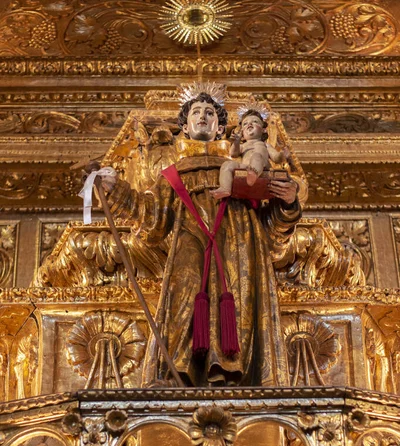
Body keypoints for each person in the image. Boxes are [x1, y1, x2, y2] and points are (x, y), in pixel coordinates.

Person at [98, 88, 307, 388]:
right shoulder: (174, 173)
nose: (203, 117)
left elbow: (270, 228)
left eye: (210, 113)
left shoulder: (246, 166)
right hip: (189, 238)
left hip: (239, 243)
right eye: (196, 112)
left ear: (220, 128)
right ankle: (177, 375)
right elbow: (153, 217)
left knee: (239, 303)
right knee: (184, 297)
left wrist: (287, 202)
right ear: (185, 127)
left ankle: (238, 375)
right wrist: (114, 189)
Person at [211, 109, 285, 199]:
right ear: (242, 131)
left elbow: (276, 158)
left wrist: (281, 154)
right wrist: (237, 142)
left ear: (263, 130)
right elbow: (233, 154)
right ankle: (225, 188)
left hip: (262, 168)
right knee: (227, 165)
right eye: (245, 124)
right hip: (245, 168)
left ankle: (254, 173)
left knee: (256, 156)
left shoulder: (265, 145)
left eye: (255, 122)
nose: (249, 124)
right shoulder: (243, 145)